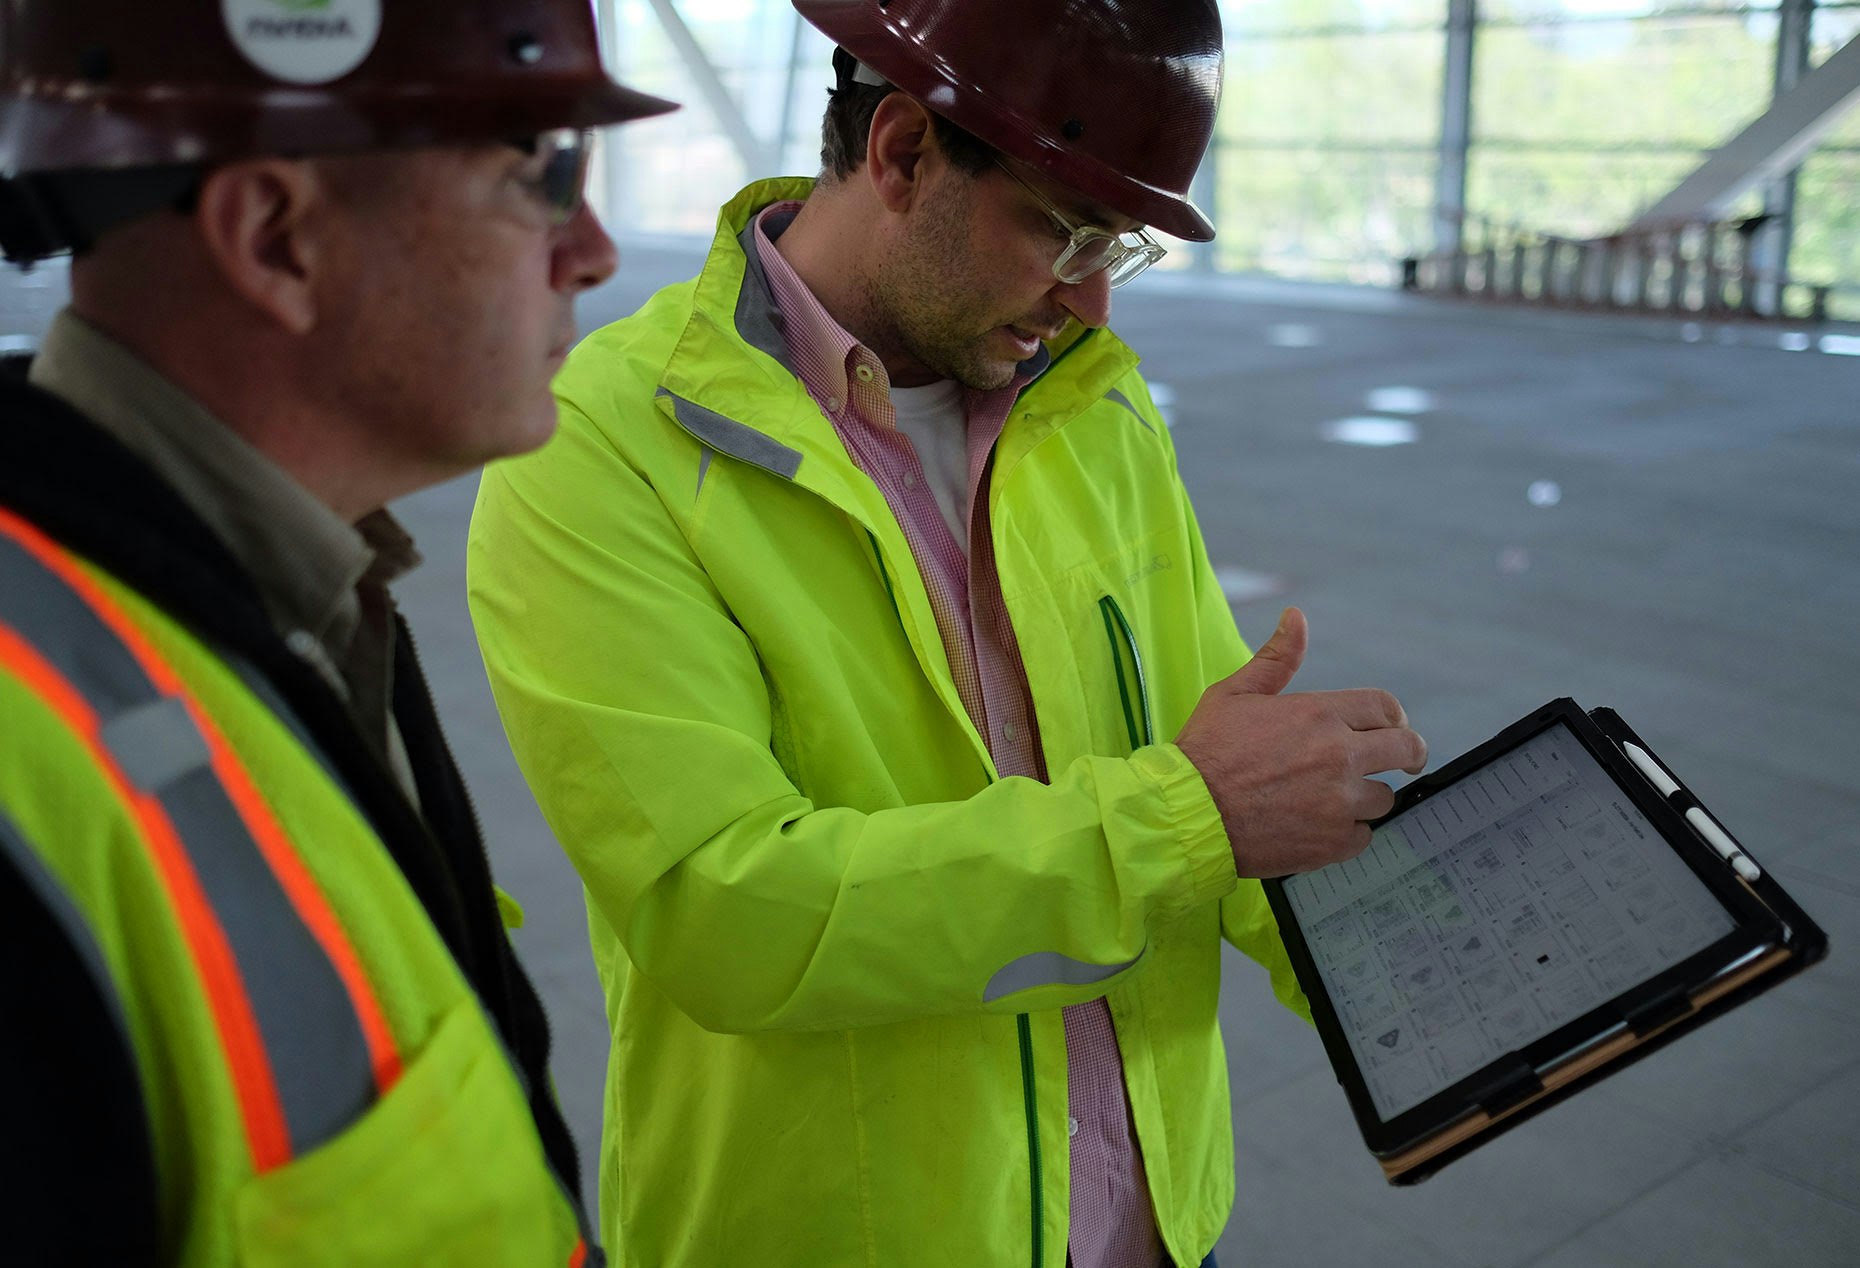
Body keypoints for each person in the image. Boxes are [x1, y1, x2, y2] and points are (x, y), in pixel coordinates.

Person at [467, 0, 1427, 1263]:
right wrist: (1181, 816)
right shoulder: (604, 446)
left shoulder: (1091, 408)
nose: (1089, 303)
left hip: (1142, 1226)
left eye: (1118, 248)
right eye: (1064, 229)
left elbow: (1222, 777)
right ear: (905, 151)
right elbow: (729, 911)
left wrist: (1439, 954)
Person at [0, 2, 675, 1263]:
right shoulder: (36, 736)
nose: (591, 249)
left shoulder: (287, 587)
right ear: (276, 238)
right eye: (546, 175)